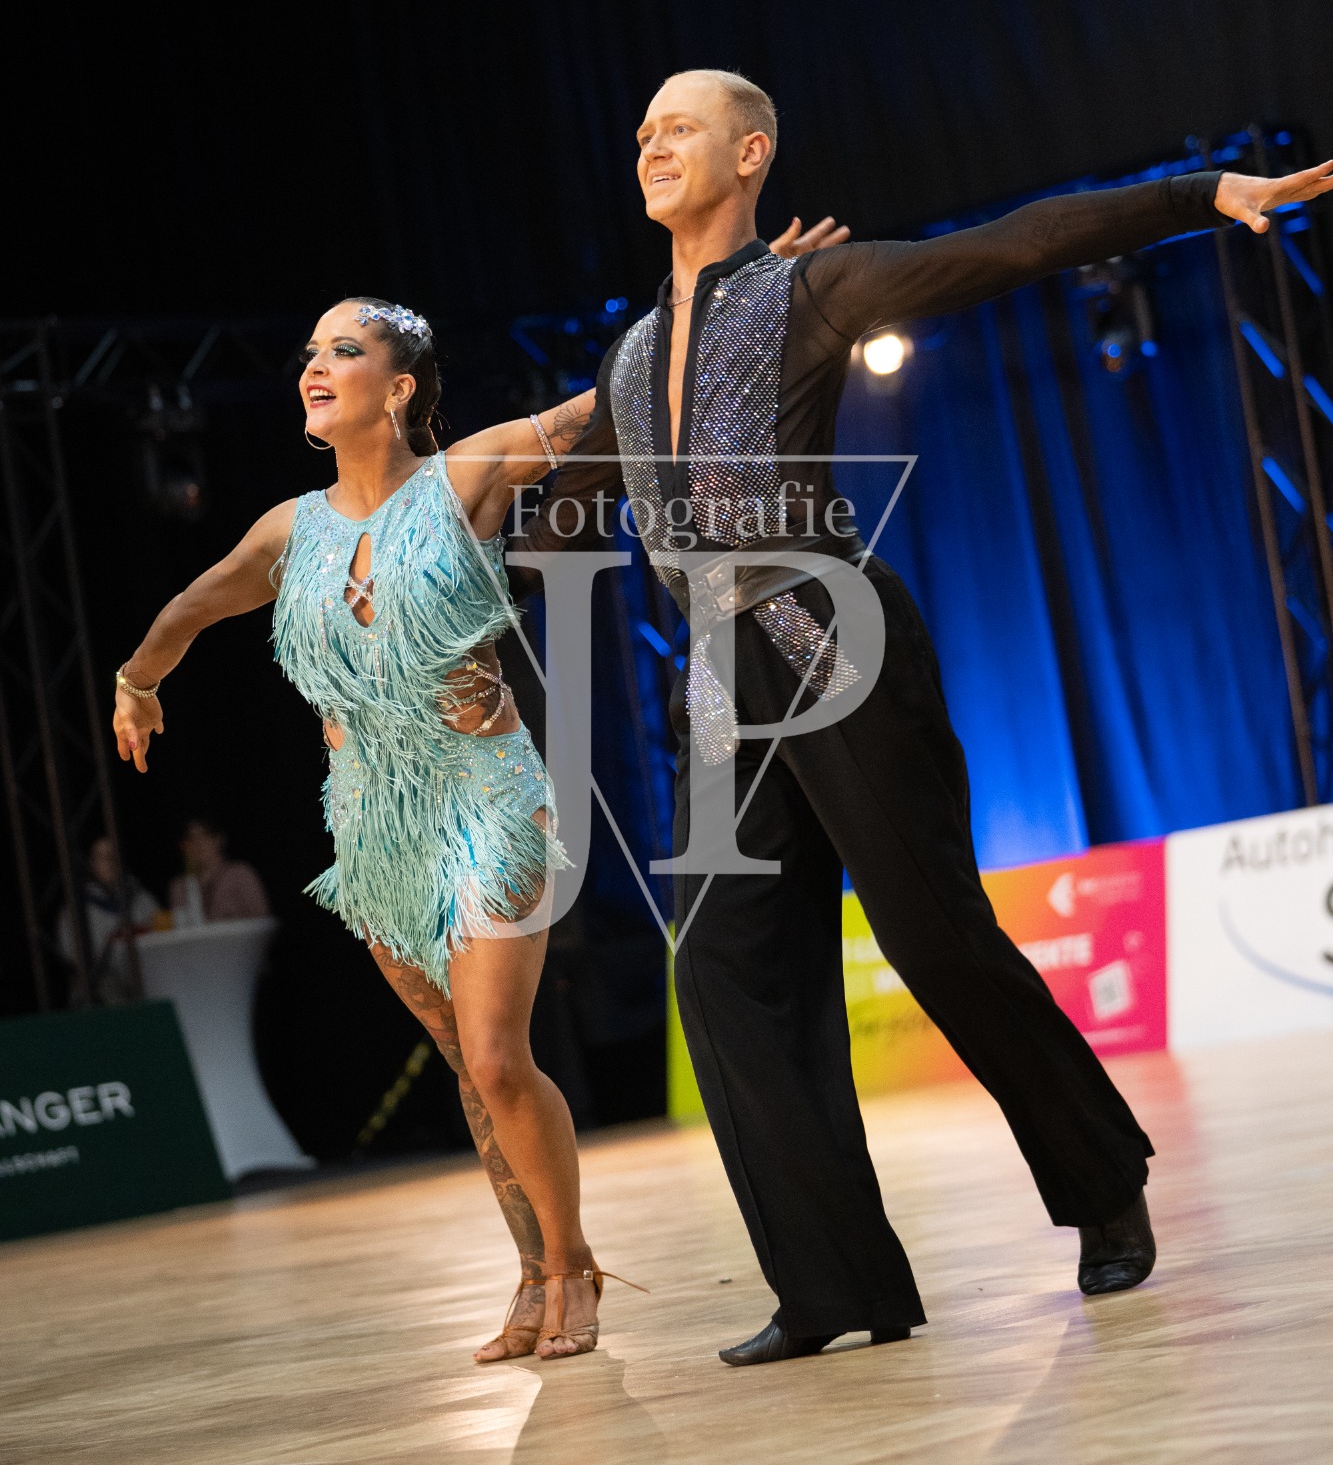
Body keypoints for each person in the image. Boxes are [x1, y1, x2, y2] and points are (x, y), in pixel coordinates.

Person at [515, 68, 1333, 1365]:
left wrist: (1200, 193)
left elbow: (1012, 246)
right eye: (642, 131)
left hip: (829, 634)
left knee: (934, 937)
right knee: (721, 967)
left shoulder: (809, 290)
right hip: (718, 682)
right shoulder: (626, 353)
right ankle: (832, 1282)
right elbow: (560, 521)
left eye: (679, 127)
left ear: (750, 152)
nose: (650, 145)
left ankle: (1099, 1178)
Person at [111, 296, 633, 1362]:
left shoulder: (465, 475)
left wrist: (720, 302)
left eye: (343, 350)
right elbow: (191, 607)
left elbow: (606, 403)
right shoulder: (287, 531)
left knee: (497, 1056)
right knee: (464, 1065)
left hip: (486, 796)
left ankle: (573, 1262)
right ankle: (530, 1275)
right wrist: (136, 683)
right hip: (373, 829)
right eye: (310, 351)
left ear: (397, 387)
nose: (315, 366)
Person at [56, 835, 159, 1005]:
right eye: (101, 857)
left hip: (144, 979)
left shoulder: (142, 899)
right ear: (91, 863)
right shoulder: (76, 910)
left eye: (112, 856)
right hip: (101, 989)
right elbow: (72, 957)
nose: (109, 862)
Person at [169, 816, 272, 924]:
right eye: (191, 838)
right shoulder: (179, 886)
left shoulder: (240, 874)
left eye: (204, 836)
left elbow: (263, 918)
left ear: (218, 839)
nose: (198, 843)